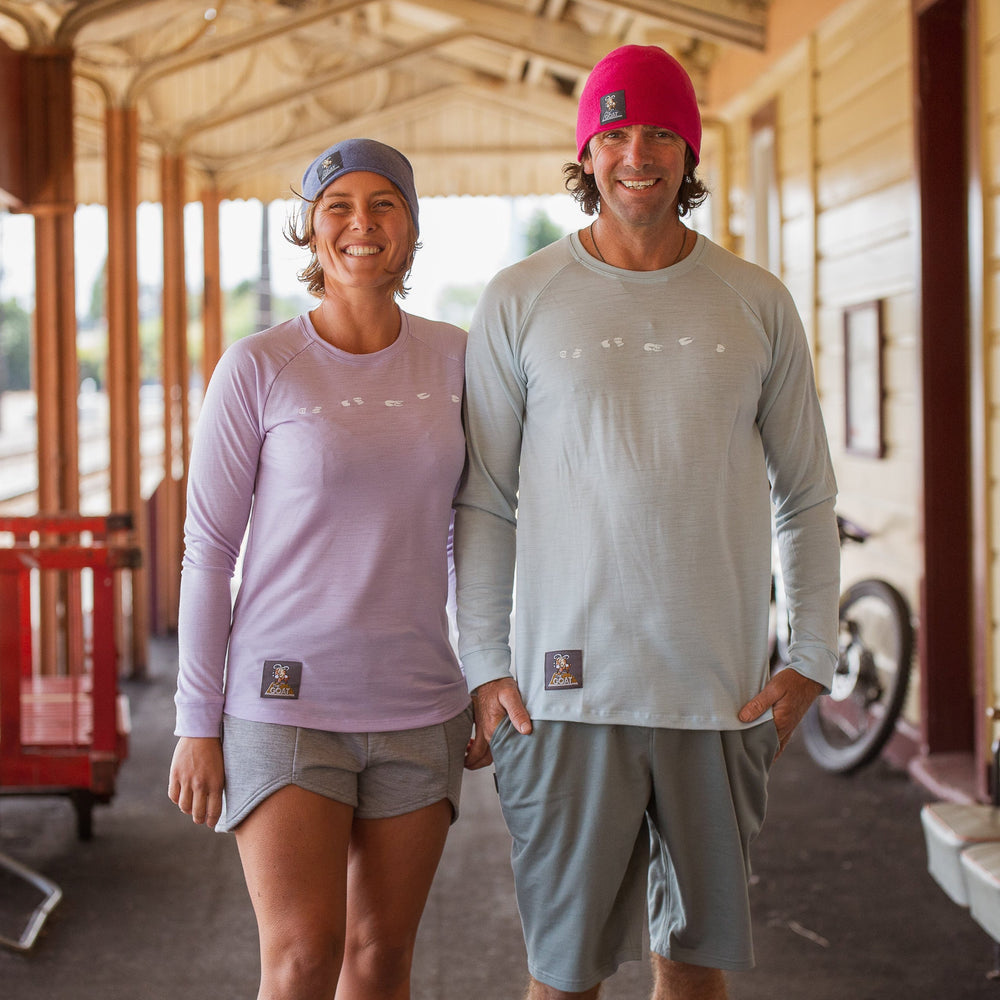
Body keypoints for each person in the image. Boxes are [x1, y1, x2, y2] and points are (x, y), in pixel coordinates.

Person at [454, 45, 841, 1000]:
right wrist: (486, 664)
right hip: (564, 696)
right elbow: (485, 498)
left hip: (719, 694)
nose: (638, 153)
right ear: (585, 153)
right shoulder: (519, 299)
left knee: (695, 969)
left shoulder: (757, 303)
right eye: (615, 132)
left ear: (689, 151)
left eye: (661, 132)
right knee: (564, 975)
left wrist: (810, 661)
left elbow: (806, 492)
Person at [167, 137, 472, 1000]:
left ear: (411, 228)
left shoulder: (459, 359)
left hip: (421, 704)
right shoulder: (260, 366)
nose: (361, 224)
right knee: (302, 957)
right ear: (311, 230)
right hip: (283, 701)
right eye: (338, 206)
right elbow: (208, 552)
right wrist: (197, 719)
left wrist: (491, 671)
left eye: (384, 204)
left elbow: (475, 532)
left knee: (382, 960)